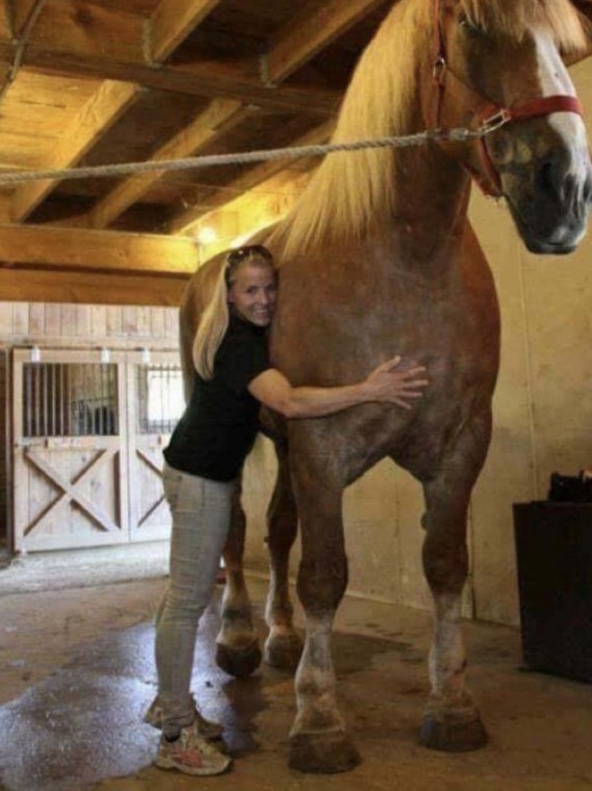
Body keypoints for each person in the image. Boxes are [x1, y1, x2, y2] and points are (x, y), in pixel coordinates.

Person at [148, 244, 428, 776]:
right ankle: (175, 736)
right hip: (200, 482)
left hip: (198, 474)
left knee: (179, 598)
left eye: (270, 288)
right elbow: (291, 403)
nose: (263, 299)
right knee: (186, 604)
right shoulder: (236, 345)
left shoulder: (246, 335)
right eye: (251, 290)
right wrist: (370, 390)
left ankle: (170, 706)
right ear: (230, 295)